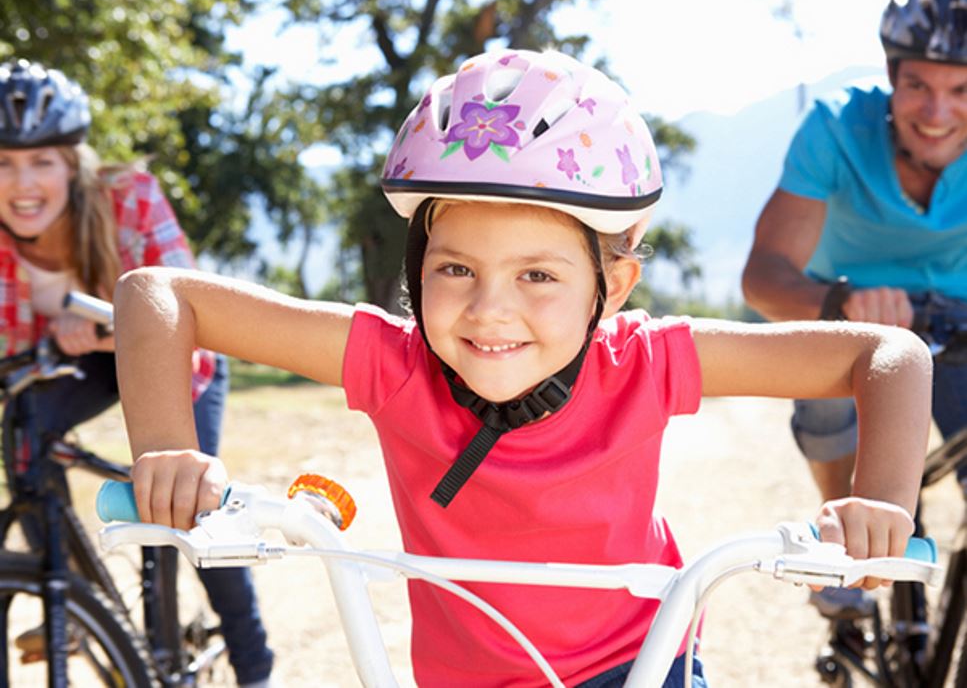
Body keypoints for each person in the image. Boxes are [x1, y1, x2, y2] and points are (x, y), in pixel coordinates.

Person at [115, 49, 931, 687]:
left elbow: (885, 354)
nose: (489, 310)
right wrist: (166, 449)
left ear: (612, 286)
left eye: (537, 275)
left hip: (638, 666)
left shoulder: (643, 361)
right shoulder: (395, 363)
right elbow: (156, 294)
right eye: (454, 268)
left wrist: (881, 502)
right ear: (416, 267)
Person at [0, 59, 274, 686]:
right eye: (4, 163)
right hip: (78, 364)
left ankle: (254, 663)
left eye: (42, 162)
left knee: (189, 499)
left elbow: (193, 313)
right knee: (26, 428)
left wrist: (102, 333)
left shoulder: (131, 199)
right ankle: (71, 596)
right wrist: (70, 341)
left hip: (180, 351)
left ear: (73, 164)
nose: (23, 184)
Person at [741, 0, 967, 620]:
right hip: (851, 311)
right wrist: (840, 303)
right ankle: (841, 542)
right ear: (891, 77)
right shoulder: (836, 128)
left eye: (960, 90)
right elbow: (763, 276)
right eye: (917, 86)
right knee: (826, 397)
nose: (937, 112)